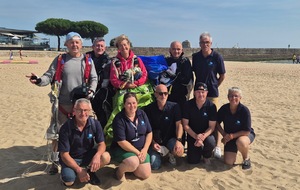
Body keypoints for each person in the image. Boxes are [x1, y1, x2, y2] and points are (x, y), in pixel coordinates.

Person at [26, 32, 98, 174]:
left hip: (82, 106)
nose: (74, 45)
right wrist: (39, 80)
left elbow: (94, 78)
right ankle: (54, 162)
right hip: (63, 105)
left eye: (77, 42)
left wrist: (91, 92)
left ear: (81, 44)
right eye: (71, 42)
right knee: (58, 134)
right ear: (66, 44)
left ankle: (79, 159)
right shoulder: (60, 60)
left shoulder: (88, 60)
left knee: (82, 133)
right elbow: (49, 75)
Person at [104, 34, 154, 145]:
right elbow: (114, 79)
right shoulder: (115, 62)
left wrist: (135, 84)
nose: (124, 48)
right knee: (120, 107)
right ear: (118, 48)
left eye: (125, 45)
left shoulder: (137, 59)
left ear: (129, 45)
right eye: (121, 46)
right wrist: (126, 86)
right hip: (122, 90)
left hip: (137, 88)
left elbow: (144, 74)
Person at [58, 98, 111, 186]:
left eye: (85, 110)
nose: (83, 113)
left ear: (90, 111)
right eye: (80, 110)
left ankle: (90, 172)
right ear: (74, 111)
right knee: (69, 181)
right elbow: (64, 155)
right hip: (72, 158)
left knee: (106, 156)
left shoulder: (95, 124)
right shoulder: (65, 128)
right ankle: (72, 173)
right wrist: (78, 170)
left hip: (87, 156)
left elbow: (102, 144)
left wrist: (97, 156)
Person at [192, 32, 226, 159]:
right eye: (202, 42)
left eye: (207, 42)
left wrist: (215, 85)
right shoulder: (196, 57)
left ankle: (217, 146)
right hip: (198, 92)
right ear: (199, 44)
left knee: (214, 120)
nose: (205, 44)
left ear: (211, 43)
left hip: (212, 92)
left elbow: (222, 75)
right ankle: (199, 142)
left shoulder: (217, 56)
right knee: (198, 118)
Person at [110, 92, 152, 181]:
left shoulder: (142, 114)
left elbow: (149, 132)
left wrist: (145, 149)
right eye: (129, 103)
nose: (132, 106)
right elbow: (121, 142)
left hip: (141, 149)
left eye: (134, 103)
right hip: (123, 149)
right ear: (124, 105)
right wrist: (137, 153)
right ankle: (119, 172)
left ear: (137, 103)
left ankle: (130, 168)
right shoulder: (119, 119)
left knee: (145, 174)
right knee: (133, 162)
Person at [144, 84, 184, 170]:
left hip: (170, 139)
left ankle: (170, 154)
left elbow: (179, 125)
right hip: (155, 142)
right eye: (160, 93)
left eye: (166, 93)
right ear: (155, 94)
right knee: (155, 166)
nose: (163, 96)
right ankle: (162, 154)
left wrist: (179, 140)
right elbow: (147, 130)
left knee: (180, 151)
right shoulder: (149, 109)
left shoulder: (174, 107)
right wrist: (153, 143)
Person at [216, 87, 255, 170]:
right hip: (230, 137)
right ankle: (234, 150)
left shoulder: (244, 110)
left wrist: (231, 136)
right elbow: (216, 123)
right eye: (231, 96)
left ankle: (246, 159)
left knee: (241, 142)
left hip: (244, 135)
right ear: (228, 97)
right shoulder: (224, 109)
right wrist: (224, 134)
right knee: (228, 162)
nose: (233, 98)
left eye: (236, 96)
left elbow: (247, 131)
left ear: (240, 98)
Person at [182, 82, 217, 164]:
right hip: (192, 134)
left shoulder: (211, 106)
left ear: (207, 93)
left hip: (206, 135)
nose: (200, 94)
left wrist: (202, 137)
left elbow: (212, 127)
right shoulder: (187, 105)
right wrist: (196, 136)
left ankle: (206, 155)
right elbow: (185, 125)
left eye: (203, 92)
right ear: (194, 93)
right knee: (193, 161)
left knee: (211, 141)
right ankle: (197, 151)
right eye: (198, 92)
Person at [86, 38, 114, 128]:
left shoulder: (108, 61)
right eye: (97, 45)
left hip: (102, 91)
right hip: (87, 88)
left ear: (105, 48)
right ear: (93, 47)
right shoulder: (86, 58)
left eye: (102, 46)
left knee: (103, 114)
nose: (99, 48)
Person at [163, 41, 193, 110]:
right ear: (170, 50)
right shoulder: (166, 61)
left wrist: (173, 76)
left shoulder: (185, 62)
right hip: (168, 96)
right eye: (173, 49)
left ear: (182, 50)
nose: (176, 51)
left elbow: (186, 79)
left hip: (182, 96)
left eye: (178, 49)